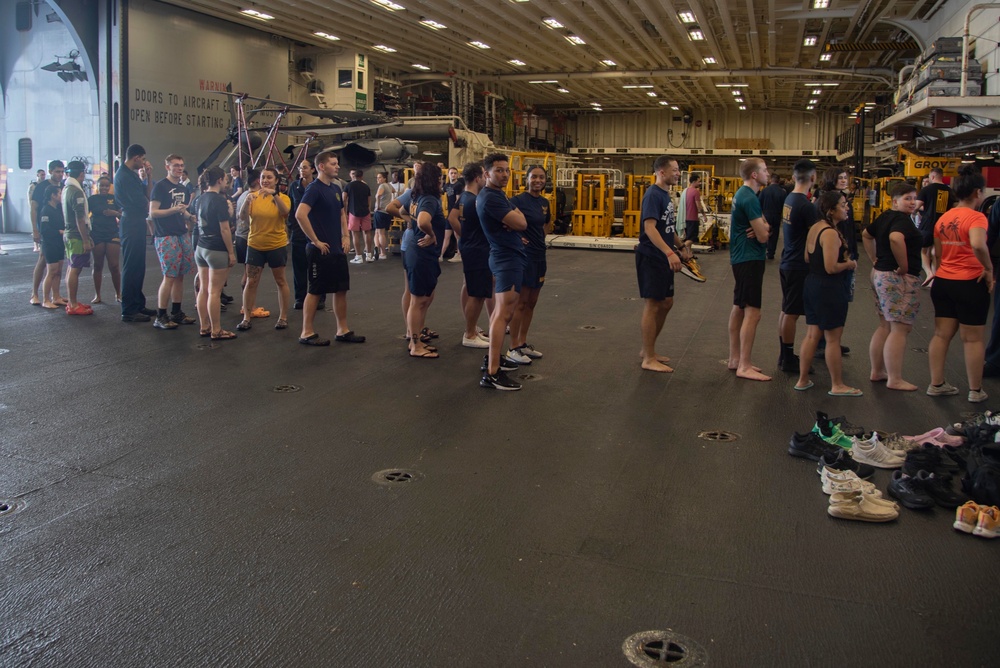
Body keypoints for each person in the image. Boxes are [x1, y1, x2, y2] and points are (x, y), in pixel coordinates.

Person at [927, 166, 993, 403]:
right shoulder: (976, 217)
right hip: (969, 283)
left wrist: (941, 270)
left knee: (941, 335)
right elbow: (977, 244)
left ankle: (936, 384)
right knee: (973, 339)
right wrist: (988, 268)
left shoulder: (944, 218)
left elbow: (937, 253)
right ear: (978, 192)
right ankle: (975, 391)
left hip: (943, 281)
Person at [294, 151, 365, 346]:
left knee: (341, 289)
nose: (337, 166)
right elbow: (300, 215)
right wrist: (315, 240)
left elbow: (342, 213)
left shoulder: (335, 188)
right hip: (320, 250)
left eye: (337, 163)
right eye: (333, 164)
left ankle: (343, 330)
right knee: (315, 290)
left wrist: (345, 235)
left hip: (336, 248)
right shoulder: (314, 189)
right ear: (322, 167)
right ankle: (306, 332)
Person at [795, 191, 860, 395]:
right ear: (831, 210)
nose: (847, 207)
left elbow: (807, 257)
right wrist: (848, 264)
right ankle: (837, 385)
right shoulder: (830, 233)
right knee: (833, 339)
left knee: (813, 334)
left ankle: (803, 380)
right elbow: (831, 267)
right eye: (842, 205)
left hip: (812, 284)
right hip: (829, 288)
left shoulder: (815, 228)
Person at [862, 181, 922, 391]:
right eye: (907, 198)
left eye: (914, 198)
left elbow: (866, 235)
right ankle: (895, 378)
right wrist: (903, 266)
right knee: (900, 328)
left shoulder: (885, 216)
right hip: (896, 279)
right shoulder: (902, 221)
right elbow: (896, 238)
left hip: (880, 275)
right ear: (895, 201)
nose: (912, 202)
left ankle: (877, 371)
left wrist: (874, 258)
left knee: (885, 325)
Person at [477, 153, 528, 390]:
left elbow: (519, 218)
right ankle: (492, 373)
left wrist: (515, 218)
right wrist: (515, 220)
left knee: (502, 312)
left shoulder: (498, 195)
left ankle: (494, 359)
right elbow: (522, 223)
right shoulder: (491, 198)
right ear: (486, 173)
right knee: (503, 314)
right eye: (499, 170)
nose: (505, 174)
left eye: (507, 170)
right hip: (506, 258)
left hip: (506, 256)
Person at [635, 156, 683, 373]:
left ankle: (649, 350)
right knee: (653, 304)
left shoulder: (666, 195)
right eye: (674, 170)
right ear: (661, 172)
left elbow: (667, 227)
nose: (678, 173)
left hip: (663, 256)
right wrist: (670, 252)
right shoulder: (653, 194)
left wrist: (681, 246)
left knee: (667, 302)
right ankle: (647, 357)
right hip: (652, 256)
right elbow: (650, 228)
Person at [728, 158, 772, 381]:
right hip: (749, 258)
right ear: (754, 175)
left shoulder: (745, 195)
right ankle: (743, 365)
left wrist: (763, 227)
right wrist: (763, 229)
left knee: (739, 307)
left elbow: (766, 226)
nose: (768, 173)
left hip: (741, 257)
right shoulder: (749, 198)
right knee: (753, 312)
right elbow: (765, 235)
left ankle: (735, 359)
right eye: (764, 170)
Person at [777, 159, 818, 373]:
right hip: (798, 265)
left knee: (786, 310)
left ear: (793, 177)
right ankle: (789, 359)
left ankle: (784, 355)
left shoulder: (790, 199)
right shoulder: (806, 205)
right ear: (813, 178)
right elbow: (814, 239)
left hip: (788, 261)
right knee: (791, 312)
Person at [238, 167, 291, 332]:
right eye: (263, 177)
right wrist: (247, 201)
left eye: (269, 177)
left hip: (276, 245)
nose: (265, 180)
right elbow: (242, 217)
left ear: (276, 180)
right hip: (255, 245)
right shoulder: (252, 197)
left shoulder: (283, 198)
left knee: (280, 281)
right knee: (251, 281)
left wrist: (274, 195)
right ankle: (247, 317)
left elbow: (285, 213)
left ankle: (283, 317)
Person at [507, 165, 551, 363]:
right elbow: (501, 221)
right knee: (521, 302)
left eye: (541, 177)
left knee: (532, 302)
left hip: (539, 256)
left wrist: (541, 239)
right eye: (534, 177)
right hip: (524, 257)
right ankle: (513, 346)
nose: (538, 181)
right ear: (527, 179)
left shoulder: (544, 202)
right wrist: (516, 237)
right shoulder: (517, 201)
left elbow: (545, 224)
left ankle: (523, 343)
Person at [405, 163, 448, 358]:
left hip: (418, 251)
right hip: (421, 252)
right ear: (435, 179)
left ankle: (417, 341)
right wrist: (431, 234)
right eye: (439, 178)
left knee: (423, 299)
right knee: (418, 301)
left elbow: (402, 210)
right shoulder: (430, 199)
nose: (441, 181)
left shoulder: (417, 196)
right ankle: (415, 346)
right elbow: (423, 221)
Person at [149, 154, 196, 330]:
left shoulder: (183, 189)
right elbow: (153, 212)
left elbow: (181, 210)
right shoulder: (160, 187)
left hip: (181, 233)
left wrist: (190, 216)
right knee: (169, 276)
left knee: (180, 275)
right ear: (167, 166)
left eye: (181, 165)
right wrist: (172, 210)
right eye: (176, 165)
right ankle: (161, 315)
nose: (179, 168)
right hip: (165, 235)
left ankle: (177, 312)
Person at [449, 161, 492, 348]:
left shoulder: (464, 197)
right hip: (477, 250)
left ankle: (472, 328)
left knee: (471, 288)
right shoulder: (474, 200)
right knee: (477, 293)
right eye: (484, 175)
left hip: (470, 247)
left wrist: (463, 237)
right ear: (477, 178)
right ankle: (469, 334)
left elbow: (451, 218)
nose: (485, 178)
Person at [194, 167, 237, 340]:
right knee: (214, 292)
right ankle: (216, 330)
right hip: (216, 248)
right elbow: (225, 229)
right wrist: (231, 253)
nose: (227, 182)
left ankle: (205, 326)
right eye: (226, 179)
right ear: (219, 180)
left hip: (201, 248)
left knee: (204, 289)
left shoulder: (200, 198)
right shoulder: (219, 200)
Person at [115, 145, 156, 322]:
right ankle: (129, 309)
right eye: (143, 158)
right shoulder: (124, 176)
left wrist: (149, 177)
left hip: (136, 221)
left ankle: (137, 303)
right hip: (131, 221)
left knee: (138, 265)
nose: (144, 161)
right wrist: (149, 203)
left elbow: (148, 196)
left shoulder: (131, 174)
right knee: (131, 266)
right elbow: (144, 202)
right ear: (136, 157)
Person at [29, 161, 64, 305]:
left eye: (62, 172)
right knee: (43, 260)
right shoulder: (41, 187)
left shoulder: (63, 187)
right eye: (57, 171)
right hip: (46, 230)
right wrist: (35, 230)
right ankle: (35, 294)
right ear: (50, 171)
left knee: (58, 265)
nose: (60, 175)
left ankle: (56, 296)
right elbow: (34, 208)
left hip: (60, 231)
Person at [61, 161, 94, 315]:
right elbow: (80, 218)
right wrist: (86, 239)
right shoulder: (76, 191)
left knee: (71, 268)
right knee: (75, 269)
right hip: (76, 236)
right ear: (81, 174)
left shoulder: (66, 189)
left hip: (69, 234)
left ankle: (72, 302)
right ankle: (73, 305)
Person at [916, 168, 955, 285]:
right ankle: (935, 279)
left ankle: (929, 273)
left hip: (928, 225)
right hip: (944, 227)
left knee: (923, 251)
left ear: (932, 176)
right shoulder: (950, 191)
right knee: (936, 253)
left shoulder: (926, 190)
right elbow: (955, 208)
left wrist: (925, 209)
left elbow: (916, 207)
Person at [88, 175, 121, 304]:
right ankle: (97, 295)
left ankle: (118, 293)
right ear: (97, 186)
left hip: (112, 233)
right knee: (97, 265)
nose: (104, 188)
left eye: (106, 186)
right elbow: (84, 216)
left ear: (110, 187)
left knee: (114, 265)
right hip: (97, 233)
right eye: (101, 185)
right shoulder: (92, 199)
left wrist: (116, 214)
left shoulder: (114, 199)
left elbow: (123, 215)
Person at [288, 159, 315, 308]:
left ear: (312, 170)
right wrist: (291, 228)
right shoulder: (294, 186)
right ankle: (300, 298)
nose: (301, 170)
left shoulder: (318, 186)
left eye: (305, 168)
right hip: (298, 233)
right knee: (299, 268)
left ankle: (318, 297)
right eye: (300, 168)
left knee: (316, 267)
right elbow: (291, 209)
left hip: (315, 233)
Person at [38, 184, 66, 309]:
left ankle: (56, 297)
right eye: (59, 193)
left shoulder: (58, 208)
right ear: (53, 196)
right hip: (50, 244)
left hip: (59, 243)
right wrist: (59, 232)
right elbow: (44, 230)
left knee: (58, 271)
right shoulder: (46, 210)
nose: (61, 195)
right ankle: (45, 299)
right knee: (51, 271)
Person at [344, 168, 374, 263]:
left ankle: (358, 256)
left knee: (355, 234)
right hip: (365, 212)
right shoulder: (366, 186)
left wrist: (345, 212)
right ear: (361, 176)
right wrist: (368, 210)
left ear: (354, 175)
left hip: (353, 212)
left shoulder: (349, 186)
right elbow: (369, 199)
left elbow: (344, 198)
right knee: (367, 232)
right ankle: (369, 255)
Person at [758, 173, 785, 260]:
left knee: (764, 233)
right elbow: (785, 206)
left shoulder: (764, 191)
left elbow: (758, 204)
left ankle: (762, 250)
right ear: (778, 181)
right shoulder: (782, 192)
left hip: (765, 216)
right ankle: (771, 253)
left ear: (771, 180)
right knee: (774, 235)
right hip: (777, 216)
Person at [681, 173, 707, 254]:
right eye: (698, 182)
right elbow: (698, 206)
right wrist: (704, 215)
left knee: (688, 237)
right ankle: (681, 249)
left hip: (685, 218)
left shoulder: (685, 191)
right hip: (692, 218)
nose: (699, 183)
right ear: (694, 181)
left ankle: (689, 254)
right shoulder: (696, 192)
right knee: (692, 238)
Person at [441, 166, 463, 263]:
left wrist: (456, 214)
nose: (453, 174)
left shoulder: (458, 185)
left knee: (457, 235)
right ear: (449, 174)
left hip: (455, 214)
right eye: (451, 173)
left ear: (457, 174)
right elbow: (440, 191)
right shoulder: (447, 185)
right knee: (446, 235)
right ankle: (440, 255)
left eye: (455, 173)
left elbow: (458, 201)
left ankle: (459, 254)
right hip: (449, 214)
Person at [373, 171, 393, 260]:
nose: (378, 179)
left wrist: (378, 206)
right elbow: (395, 192)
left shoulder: (382, 185)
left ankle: (383, 253)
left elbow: (378, 195)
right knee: (378, 232)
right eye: (377, 177)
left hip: (380, 211)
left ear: (384, 178)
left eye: (380, 177)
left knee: (381, 233)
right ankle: (376, 247)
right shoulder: (389, 185)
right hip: (387, 212)